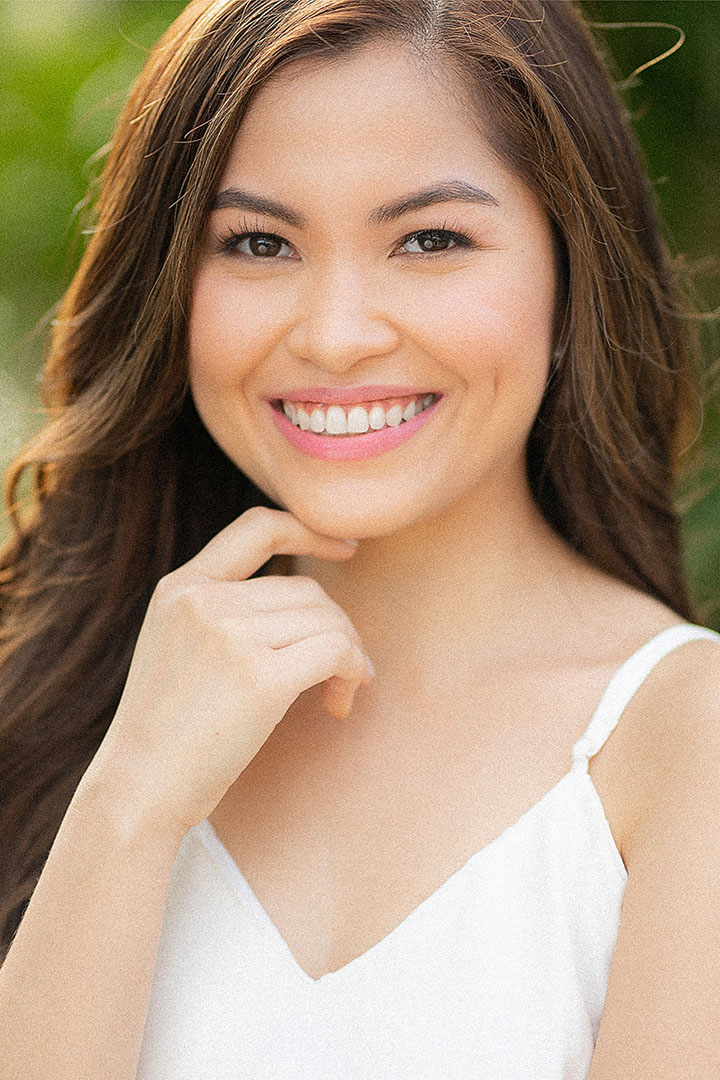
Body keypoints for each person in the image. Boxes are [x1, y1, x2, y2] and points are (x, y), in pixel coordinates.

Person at [0, 0, 718, 1076]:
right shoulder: (62, 700)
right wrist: (128, 803)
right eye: (259, 243)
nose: (335, 336)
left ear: (572, 273)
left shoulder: (684, 743)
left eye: (430, 240)